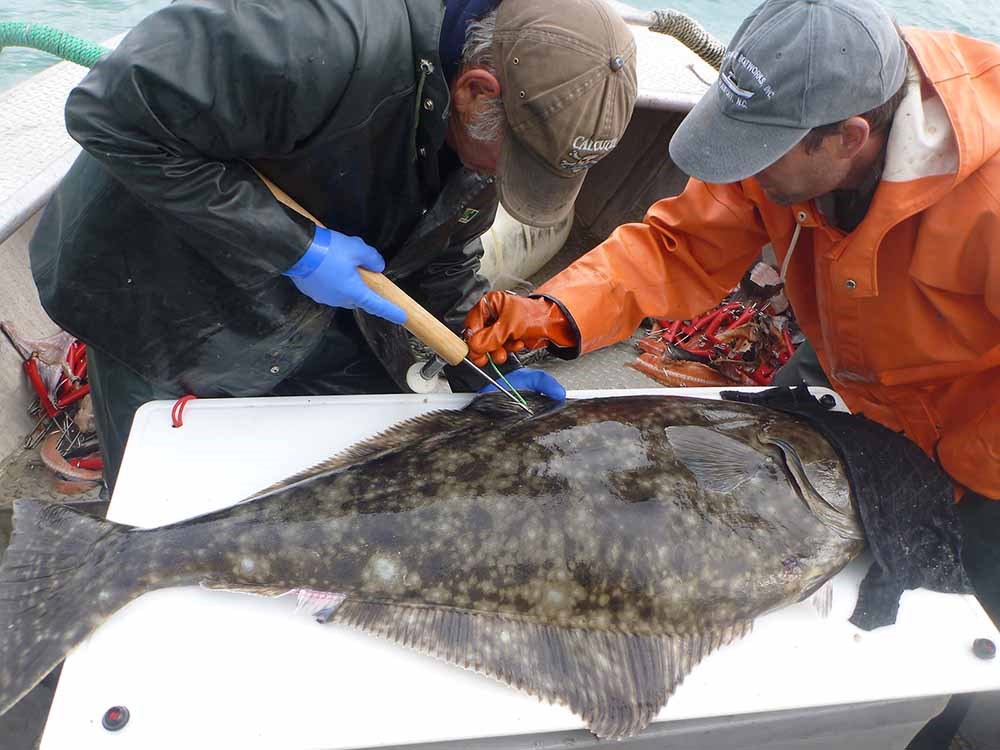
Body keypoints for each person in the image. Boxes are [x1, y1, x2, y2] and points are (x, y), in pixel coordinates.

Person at [464, 0, 999, 621]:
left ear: (850, 137)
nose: (744, 166)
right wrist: (554, 310)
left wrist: (948, 477)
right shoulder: (797, 110)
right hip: (850, 367)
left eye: (763, 151)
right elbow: (681, 244)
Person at [29, 0, 636, 489]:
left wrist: (476, 361)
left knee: (365, 478)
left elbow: (444, 247)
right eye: (516, 164)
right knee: (166, 496)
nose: (506, 184)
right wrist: (297, 247)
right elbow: (109, 113)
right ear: (476, 90)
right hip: (158, 282)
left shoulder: (480, 116)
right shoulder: (313, 32)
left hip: (310, 294)